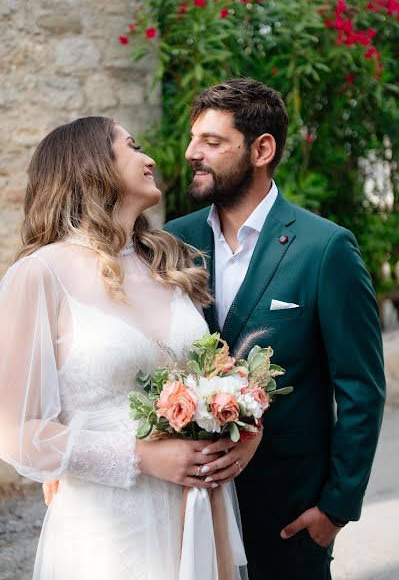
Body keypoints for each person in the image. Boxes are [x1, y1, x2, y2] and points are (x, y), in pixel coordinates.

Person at [0, 116, 259, 580]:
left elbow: (212, 371)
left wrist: (241, 422)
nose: (151, 159)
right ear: (91, 165)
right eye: (133, 147)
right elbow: (17, 433)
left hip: (197, 513)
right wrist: (141, 455)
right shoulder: (39, 275)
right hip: (110, 528)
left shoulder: (168, 263)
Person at [163, 78, 386, 579]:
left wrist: (336, 508)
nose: (191, 153)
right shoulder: (174, 242)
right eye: (194, 138)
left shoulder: (325, 248)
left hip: (288, 512)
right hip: (187, 510)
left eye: (212, 142)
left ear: (262, 149)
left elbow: (360, 387)